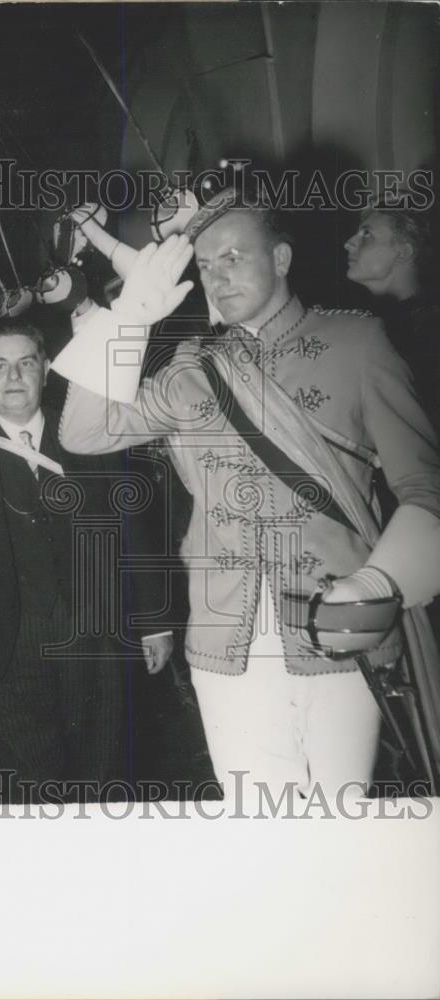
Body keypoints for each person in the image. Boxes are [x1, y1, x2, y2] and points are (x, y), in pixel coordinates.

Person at [52, 190, 440, 801]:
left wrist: (374, 585)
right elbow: (82, 432)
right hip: (224, 635)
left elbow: (426, 488)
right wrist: (128, 317)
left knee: (342, 826)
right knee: (258, 829)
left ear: (282, 258)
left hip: (339, 629)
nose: (217, 277)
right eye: (205, 265)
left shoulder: (358, 343)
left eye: (234, 257)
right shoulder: (189, 368)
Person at [0, 321, 169, 801]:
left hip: (93, 636)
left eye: (25, 363)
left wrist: (154, 622)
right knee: (27, 789)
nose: (13, 377)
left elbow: (133, 530)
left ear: (46, 369)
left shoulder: (90, 436)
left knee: (103, 775)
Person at [345, 204, 439, 435]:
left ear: (403, 252)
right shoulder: (368, 320)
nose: (349, 243)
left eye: (367, 234)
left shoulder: (428, 332)